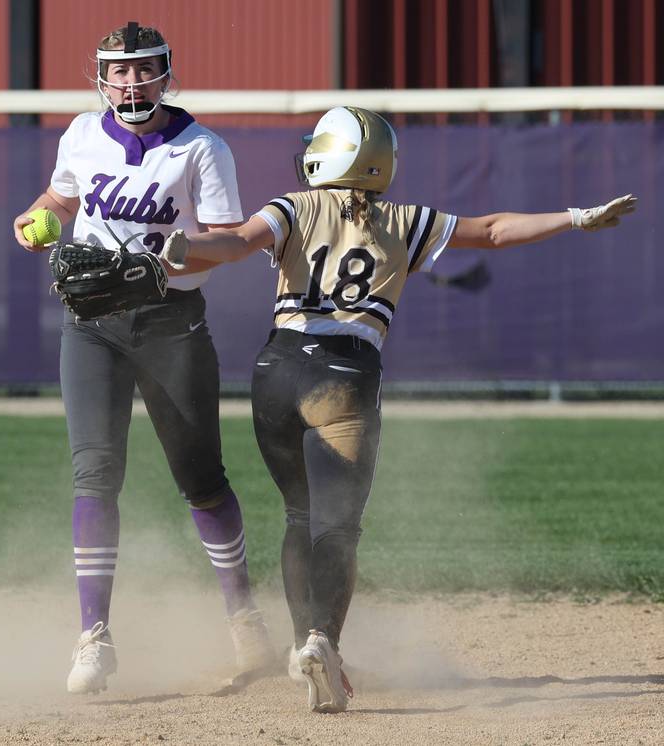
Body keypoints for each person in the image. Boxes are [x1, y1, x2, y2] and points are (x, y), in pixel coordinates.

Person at [160, 106, 637, 713]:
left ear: (327, 156)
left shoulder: (291, 206)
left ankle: (303, 639)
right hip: (346, 376)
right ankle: (321, 643)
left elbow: (234, 243)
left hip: (275, 371)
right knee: (339, 525)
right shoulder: (406, 220)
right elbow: (493, 229)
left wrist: (187, 246)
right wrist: (576, 217)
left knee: (299, 515)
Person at [12, 21, 273, 695]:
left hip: (171, 323)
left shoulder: (201, 148)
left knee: (201, 479)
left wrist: (166, 261)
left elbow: (230, 242)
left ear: (166, 72)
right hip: (91, 323)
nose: (130, 81)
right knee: (94, 474)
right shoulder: (80, 132)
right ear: (101, 77)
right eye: (118, 70)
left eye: (143, 68)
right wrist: (34, 216)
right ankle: (93, 637)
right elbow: (62, 200)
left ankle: (242, 613)